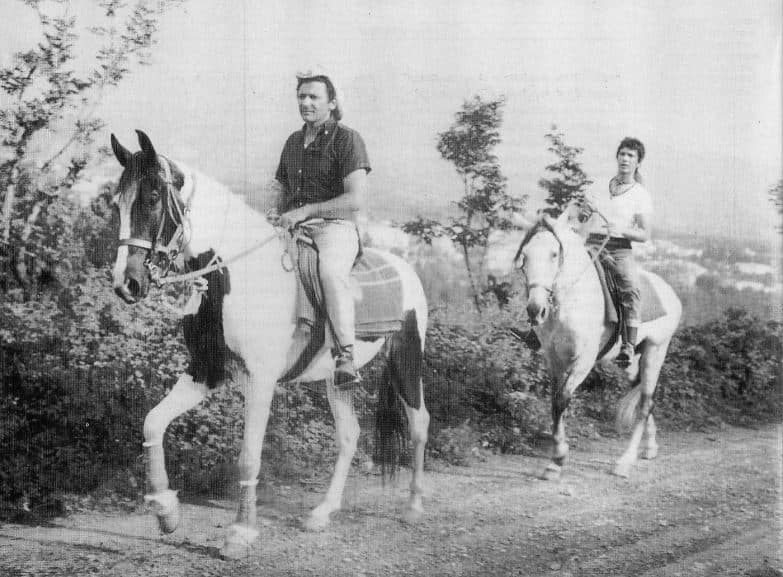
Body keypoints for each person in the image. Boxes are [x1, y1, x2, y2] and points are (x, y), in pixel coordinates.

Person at [275, 70, 371, 388]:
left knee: (330, 273)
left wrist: (307, 211)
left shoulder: (347, 139)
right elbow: (281, 193)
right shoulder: (292, 142)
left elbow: (354, 199)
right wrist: (278, 216)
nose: (306, 102)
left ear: (331, 103)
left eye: (314, 97)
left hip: (335, 228)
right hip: (294, 228)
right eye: (301, 96)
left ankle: (345, 356)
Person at [582, 137, 653, 367]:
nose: (625, 158)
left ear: (638, 162)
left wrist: (621, 230)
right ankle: (536, 330)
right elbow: (581, 215)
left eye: (631, 155)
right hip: (592, 243)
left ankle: (628, 345)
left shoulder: (640, 194)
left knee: (631, 288)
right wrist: (585, 208)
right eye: (622, 153)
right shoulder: (599, 185)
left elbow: (644, 233)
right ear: (617, 157)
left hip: (619, 250)